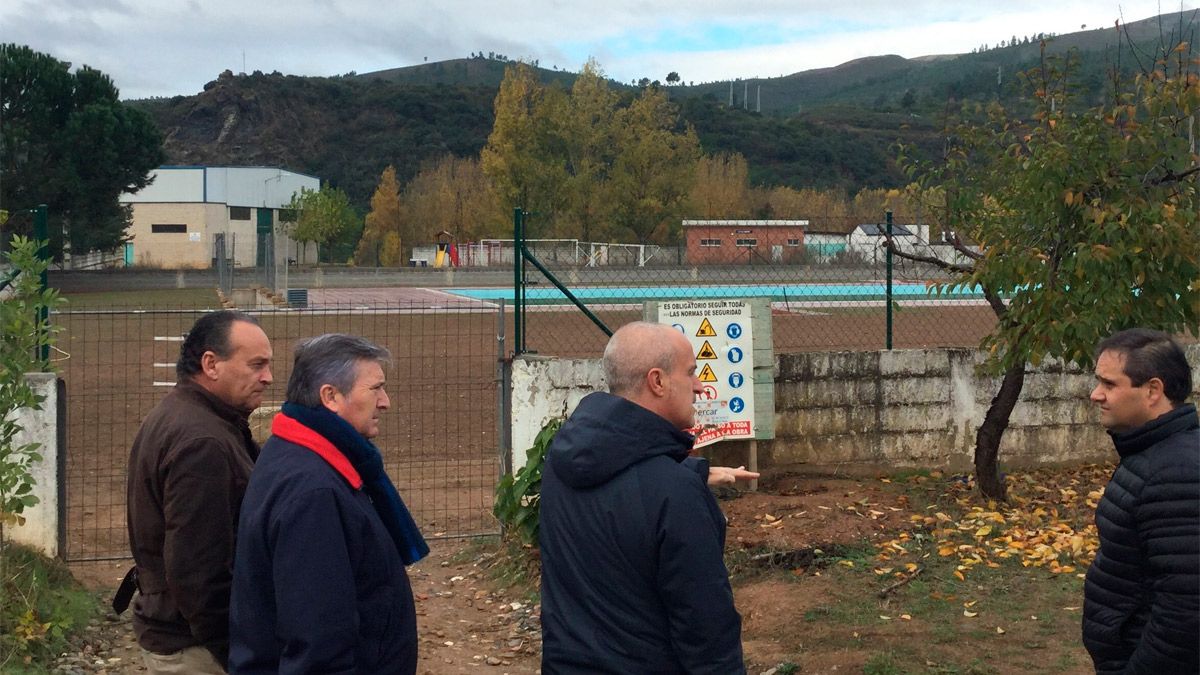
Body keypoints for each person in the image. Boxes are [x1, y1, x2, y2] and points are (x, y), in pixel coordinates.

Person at [539, 321, 753, 674]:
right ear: (658, 381)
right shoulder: (675, 495)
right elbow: (707, 632)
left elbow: (623, 497)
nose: (700, 386)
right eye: (690, 373)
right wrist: (684, 483)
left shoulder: (561, 465)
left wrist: (692, 473)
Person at [229, 334, 428, 675]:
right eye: (375, 388)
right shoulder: (314, 493)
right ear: (331, 397)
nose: (386, 402)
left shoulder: (297, 453)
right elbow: (318, 644)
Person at [124, 310, 273, 674]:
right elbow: (197, 572)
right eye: (256, 365)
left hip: (181, 637)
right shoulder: (203, 441)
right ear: (211, 364)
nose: (268, 377)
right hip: (195, 650)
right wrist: (240, 655)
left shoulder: (189, 416)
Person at [1083, 328, 1198, 674]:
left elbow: (1188, 610)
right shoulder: (1152, 453)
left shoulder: (1176, 473)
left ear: (1152, 390)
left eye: (1109, 384)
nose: (1095, 394)